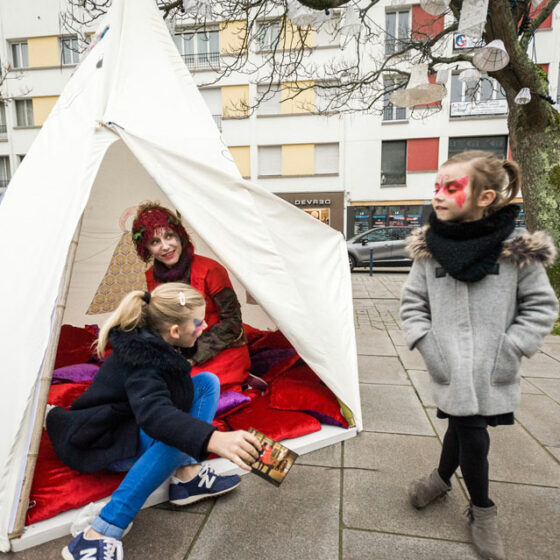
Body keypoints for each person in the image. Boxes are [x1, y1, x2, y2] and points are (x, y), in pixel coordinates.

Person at [400, 150, 558, 560]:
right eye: (436, 186)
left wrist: (512, 348)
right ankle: (452, 487)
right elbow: (413, 306)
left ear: (485, 197)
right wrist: (430, 348)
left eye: (451, 187)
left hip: (493, 367)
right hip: (449, 366)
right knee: (465, 424)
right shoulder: (429, 251)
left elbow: (541, 307)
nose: (438, 195)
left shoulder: (515, 253)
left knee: (468, 427)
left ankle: (477, 506)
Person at [47, 283, 262, 560]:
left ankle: (187, 476)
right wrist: (212, 438)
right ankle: (99, 533)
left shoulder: (158, 343)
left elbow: (166, 400)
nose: (206, 325)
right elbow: (155, 415)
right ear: (174, 331)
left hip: (128, 423)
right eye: (199, 321)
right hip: (101, 440)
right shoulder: (143, 362)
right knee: (175, 437)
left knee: (207, 383)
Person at [131, 202, 250, 390]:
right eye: (155, 242)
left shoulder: (211, 269)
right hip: (178, 352)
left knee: (184, 387)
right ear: (146, 248)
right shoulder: (151, 276)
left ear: (180, 236)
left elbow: (232, 323)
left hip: (219, 350)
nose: (165, 246)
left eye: (169, 236)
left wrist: (193, 356)